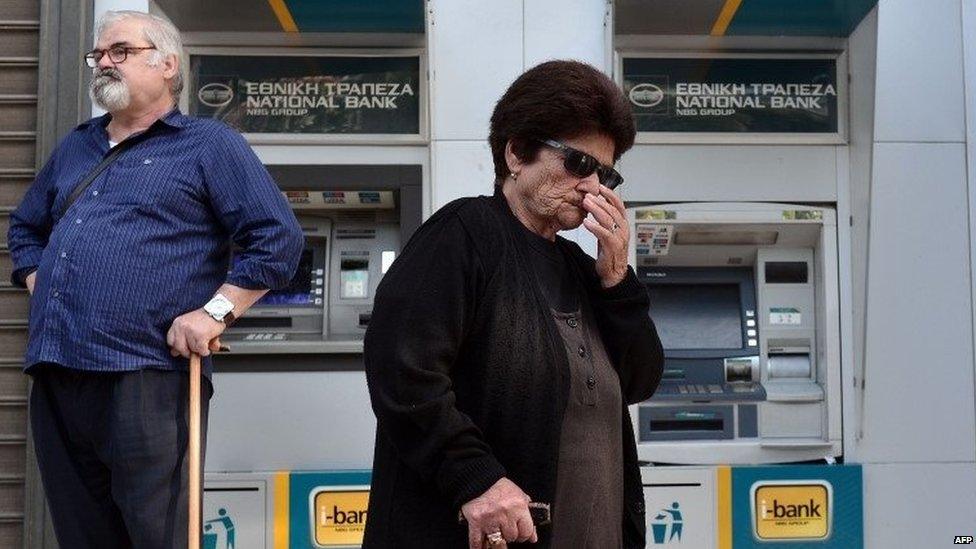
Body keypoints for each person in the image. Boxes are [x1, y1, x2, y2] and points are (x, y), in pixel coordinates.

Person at [7, 10, 303, 548]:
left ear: (167, 64)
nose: (103, 63)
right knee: (84, 536)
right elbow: (26, 228)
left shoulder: (209, 144)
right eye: (98, 54)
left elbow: (277, 240)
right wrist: (38, 280)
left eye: (120, 50)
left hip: (148, 376)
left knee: (157, 536)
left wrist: (215, 313)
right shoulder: (77, 145)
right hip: (59, 371)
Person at [362, 60, 664, 549]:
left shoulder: (580, 268)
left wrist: (617, 280)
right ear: (518, 153)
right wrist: (475, 477)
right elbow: (401, 369)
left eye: (606, 174)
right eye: (579, 164)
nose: (593, 186)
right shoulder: (463, 233)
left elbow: (640, 381)